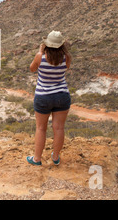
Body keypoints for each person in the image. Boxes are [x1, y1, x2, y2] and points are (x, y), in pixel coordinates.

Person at [27, 31, 72, 166]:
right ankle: (56, 156)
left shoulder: (40, 56)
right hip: (62, 95)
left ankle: (37, 159)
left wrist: (40, 52)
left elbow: (32, 69)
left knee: (41, 128)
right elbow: (66, 68)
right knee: (59, 128)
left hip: (43, 96)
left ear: (47, 44)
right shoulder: (67, 57)